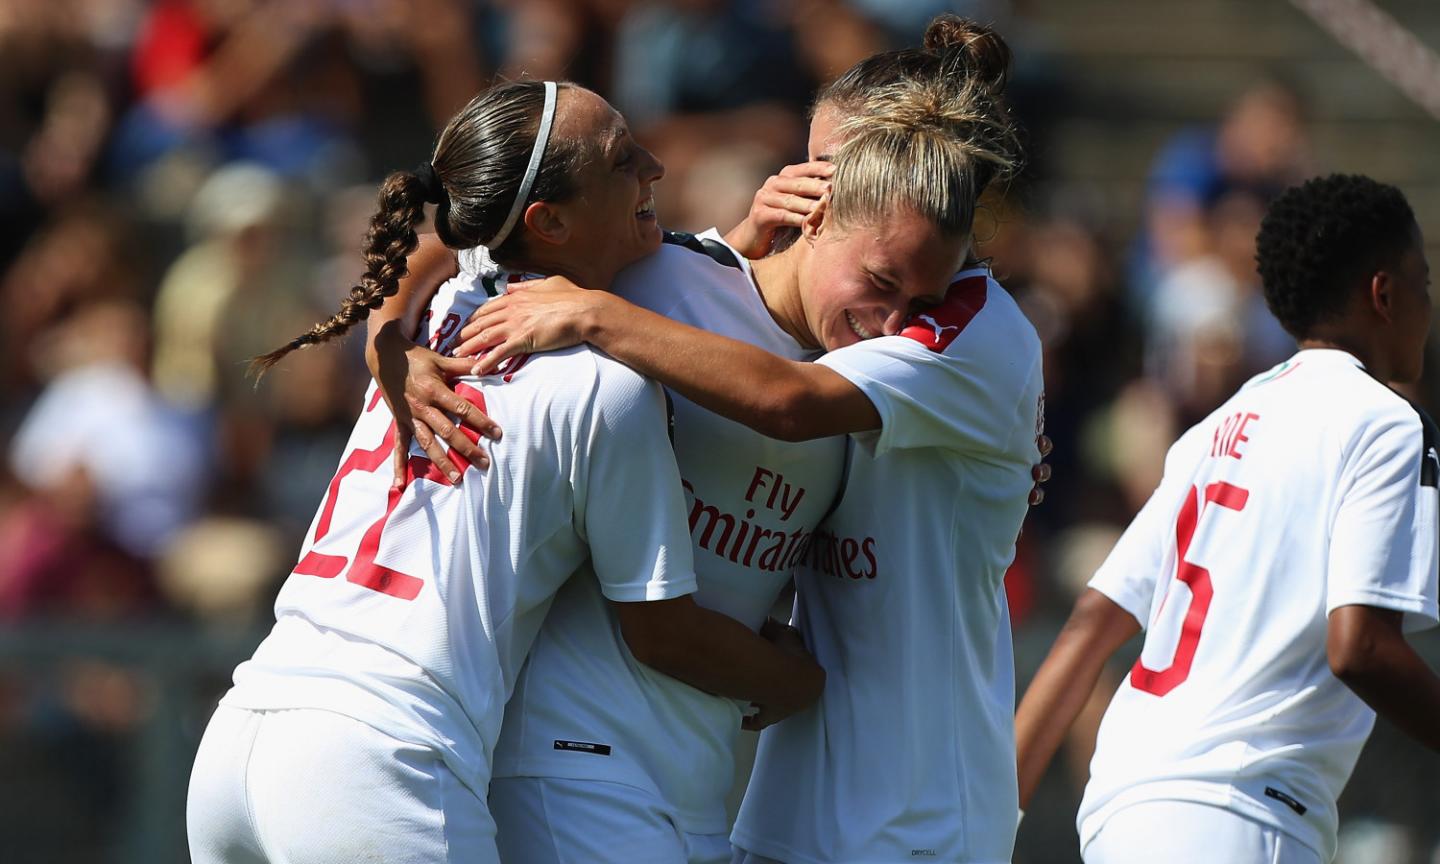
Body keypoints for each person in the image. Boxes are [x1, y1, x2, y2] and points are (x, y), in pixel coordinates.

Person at [383, 16, 1039, 863]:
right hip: (598, 775)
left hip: (884, 815)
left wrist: (607, 308)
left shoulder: (943, 341)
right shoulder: (664, 275)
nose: (894, 321)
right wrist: (388, 350)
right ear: (821, 204)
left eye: (917, 298)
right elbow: (453, 238)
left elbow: (786, 400)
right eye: (807, 163)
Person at [185, 80, 827, 864]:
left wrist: (388, 342)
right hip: (379, 760)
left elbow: (430, 242)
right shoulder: (607, 386)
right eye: (624, 160)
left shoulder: (449, 305)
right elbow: (664, 631)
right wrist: (798, 682)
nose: (656, 167)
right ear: (546, 221)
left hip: (244, 728)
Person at [1014, 174, 1440, 864]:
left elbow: (1092, 623)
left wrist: (989, 815)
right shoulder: (1387, 424)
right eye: (1423, 281)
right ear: (1384, 294)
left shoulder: (1216, 428)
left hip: (1120, 806)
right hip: (1239, 811)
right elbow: (1360, 646)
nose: (1429, 302)